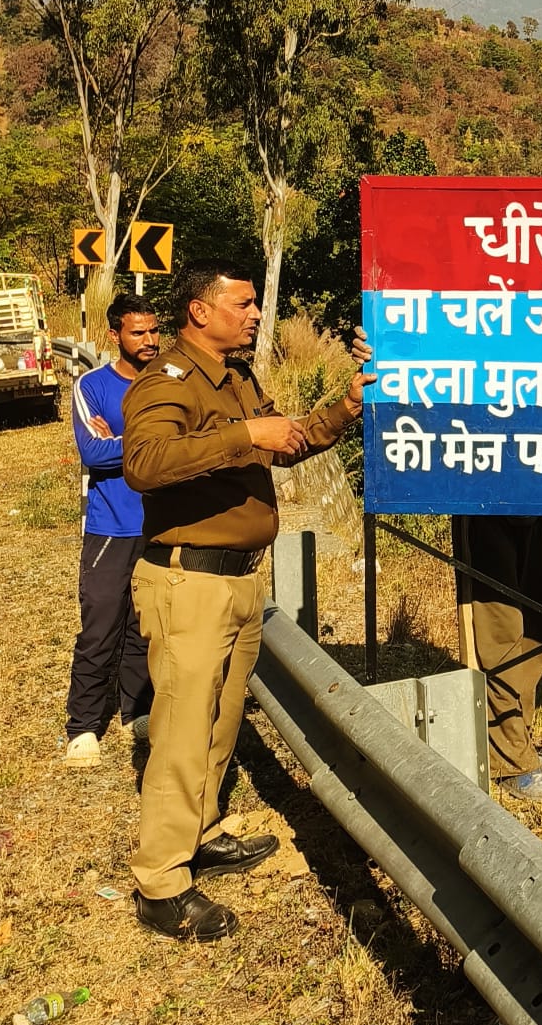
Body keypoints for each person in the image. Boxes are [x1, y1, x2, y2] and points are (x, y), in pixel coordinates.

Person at [122, 258, 374, 941]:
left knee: (218, 722)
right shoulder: (166, 380)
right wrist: (243, 435)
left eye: (255, 302)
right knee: (181, 734)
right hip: (189, 583)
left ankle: (201, 831)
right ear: (199, 311)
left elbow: (286, 443)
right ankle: (161, 883)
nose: (256, 313)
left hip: (237, 582)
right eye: (243, 302)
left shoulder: (235, 377)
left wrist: (345, 407)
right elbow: (144, 463)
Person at [64, 295, 161, 766]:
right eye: (138, 332)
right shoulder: (92, 386)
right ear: (115, 335)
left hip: (161, 523)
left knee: (145, 626)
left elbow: (192, 437)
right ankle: (82, 726)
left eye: (154, 330)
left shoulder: (169, 380)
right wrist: (153, 444)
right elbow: (92, 452)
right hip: (110, 527)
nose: (149, 340)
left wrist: (122, 441)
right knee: (101, 624)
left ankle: (135, 712)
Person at [452, 515, 542, 803]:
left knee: (534, 627)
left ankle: (520, 739)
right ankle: (509, 758)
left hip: (534, 499)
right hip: (485, 500)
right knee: (498, 630)